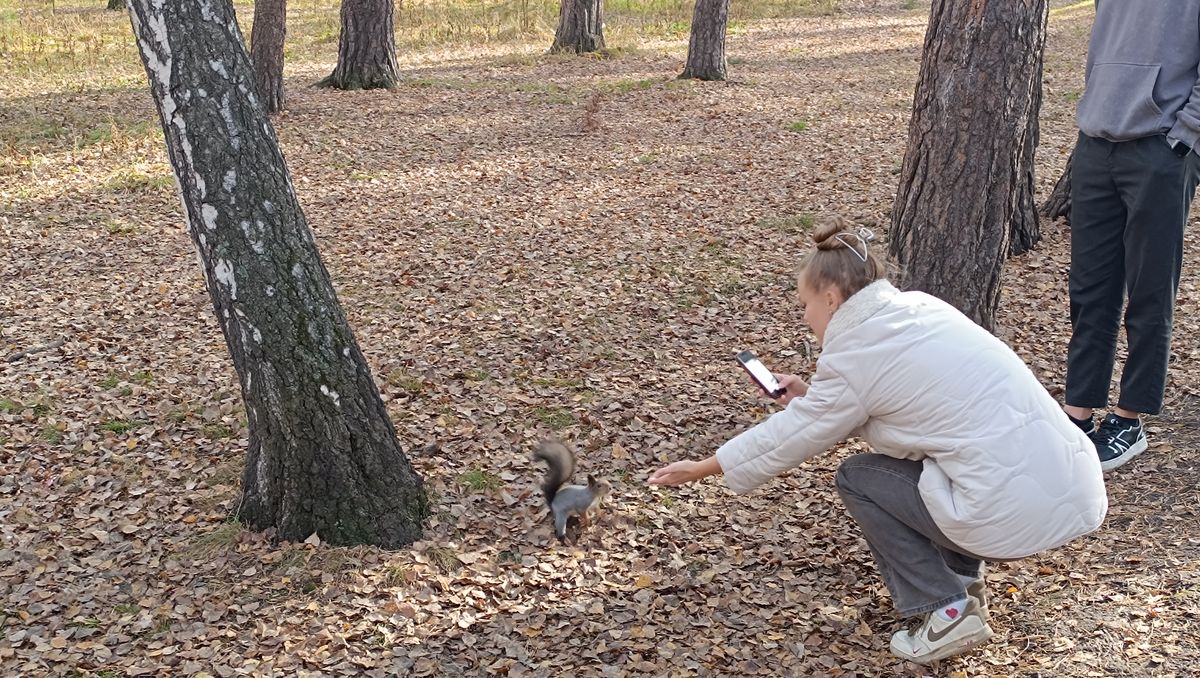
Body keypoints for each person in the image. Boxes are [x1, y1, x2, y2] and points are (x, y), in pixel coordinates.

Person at [648, 220, 1108, 665]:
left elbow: (788, 437)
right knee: (946, 468)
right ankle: (962, 585)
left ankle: (947, 608)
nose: (806, 318)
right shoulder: (922, 308)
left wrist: (704, 466)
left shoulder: (854, 353)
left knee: (859, 477)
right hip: (1074, 483)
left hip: (1006, 509)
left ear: (831, 299)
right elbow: (900, 404)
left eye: (804, 305)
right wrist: (812, 396)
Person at [1064, 0, 1200, 471]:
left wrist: (1187, 135)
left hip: (1162, 150)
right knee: (1089, 289)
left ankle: (1129, 419)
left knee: (1149, 288)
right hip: (1097, 143)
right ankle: (1078, 412)